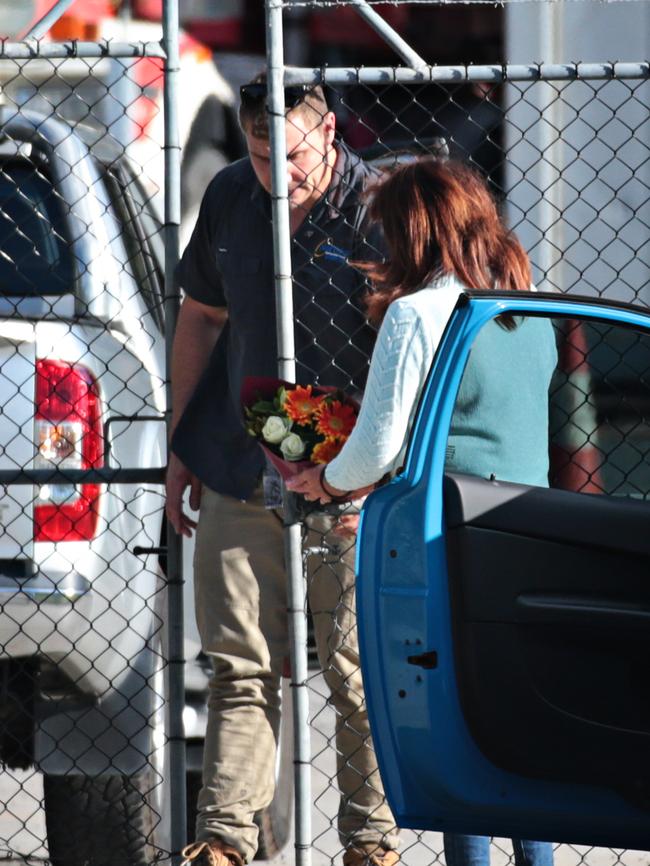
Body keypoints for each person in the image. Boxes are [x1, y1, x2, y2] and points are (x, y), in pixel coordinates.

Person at [286, 157, 557, 866]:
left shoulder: (416, 314)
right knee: (521, 730)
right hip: (528, 532)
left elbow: (375, 447)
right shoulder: (530, 311)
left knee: (455, 732)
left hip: (446, 545)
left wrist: (327, 479)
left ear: (415, 234)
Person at [167, 74, 400, 866]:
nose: (278, 175)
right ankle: (226, 840)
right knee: (238, 666)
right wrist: (178, 445)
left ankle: (371, 843)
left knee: (357, 672)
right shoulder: (233, 197)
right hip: (239, 459)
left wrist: (369, 466)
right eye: (261, 155)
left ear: (330, 132)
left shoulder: (382, 213)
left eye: (293, 156)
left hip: (349, 475)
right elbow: (200, 315)